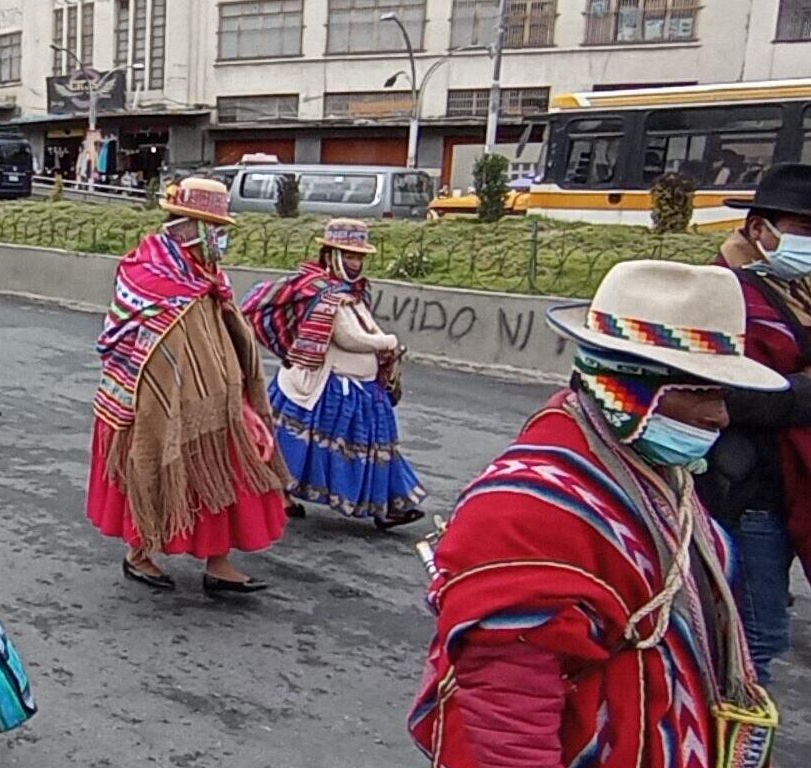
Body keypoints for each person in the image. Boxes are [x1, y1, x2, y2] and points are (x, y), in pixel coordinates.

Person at [409, 260, 782, 768]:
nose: (720, 415)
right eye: (701, 392)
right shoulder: (523, 510)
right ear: (628, 388)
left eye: (723, 393)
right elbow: (510, 708)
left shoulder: (652, 473)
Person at [86, 178, 289, 595]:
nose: (222, 239)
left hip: (215, 401)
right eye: (218, 230)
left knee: (225, 473)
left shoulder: (207, 275)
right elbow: (131, 344)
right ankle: (139, 553)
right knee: (151, 466)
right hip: (156, 401)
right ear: (193, 228)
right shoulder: (149, 274)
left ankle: (219, 562)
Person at [700, 162, 811, 685]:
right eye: (804, 231)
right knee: (758, 634)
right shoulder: (721, 292)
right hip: (749, 490)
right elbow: (722, 390)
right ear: (758, 229)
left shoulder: (799, 293)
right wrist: (799, 395)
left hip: (794, 484)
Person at [251, 219, 426, 529]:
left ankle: (388, 506)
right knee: (299, 444)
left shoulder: (352, 294)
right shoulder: (323, 293)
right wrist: (387, 342)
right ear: (331, 253)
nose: (355, 262)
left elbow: (363, 327)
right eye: (349, 255)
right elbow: (346, 337)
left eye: (359, 256)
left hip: (360, 389)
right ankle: (279, 491)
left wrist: (382, 343)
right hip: (326, 387)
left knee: (375, 446)